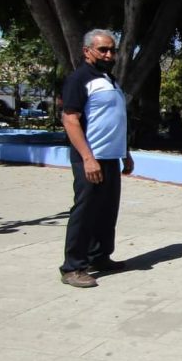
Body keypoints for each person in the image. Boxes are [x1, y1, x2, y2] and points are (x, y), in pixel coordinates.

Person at [59, 29, 133, 288]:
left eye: (112, 49)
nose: (109, 54)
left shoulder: (109, 79)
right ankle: (72, 268)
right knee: (85, 211)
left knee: (106, 211)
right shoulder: (79, 79)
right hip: (90, 158)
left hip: (111, 156)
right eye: (103, 49)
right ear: (87, 50)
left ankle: (99, 258)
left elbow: (115, 120)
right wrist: (88, 159)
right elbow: (70, 120)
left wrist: (126, 153)